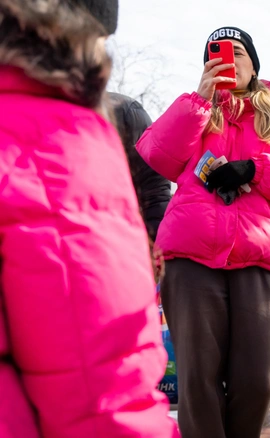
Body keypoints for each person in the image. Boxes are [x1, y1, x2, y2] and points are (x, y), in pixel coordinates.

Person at [0, 1, 180, 437]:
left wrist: (150, 241)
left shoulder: (127, 113)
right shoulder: (59, 134)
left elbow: (156, 186)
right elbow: (98, 384)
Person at [136, 26, 270, 438]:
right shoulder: (192, 111)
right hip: (190, 257)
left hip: (259, 257)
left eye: (238, 51)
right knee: (197, 379)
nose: (228, 59)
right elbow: (156, 155)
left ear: (254, 64)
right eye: (216, 54)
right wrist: (199, 100)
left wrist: (257, 169)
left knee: (260, 377)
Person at [108, 93, 171, 242]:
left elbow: (155, 188)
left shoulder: (125, 110)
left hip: (117, 241)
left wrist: (155, 244)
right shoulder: (44, 117)